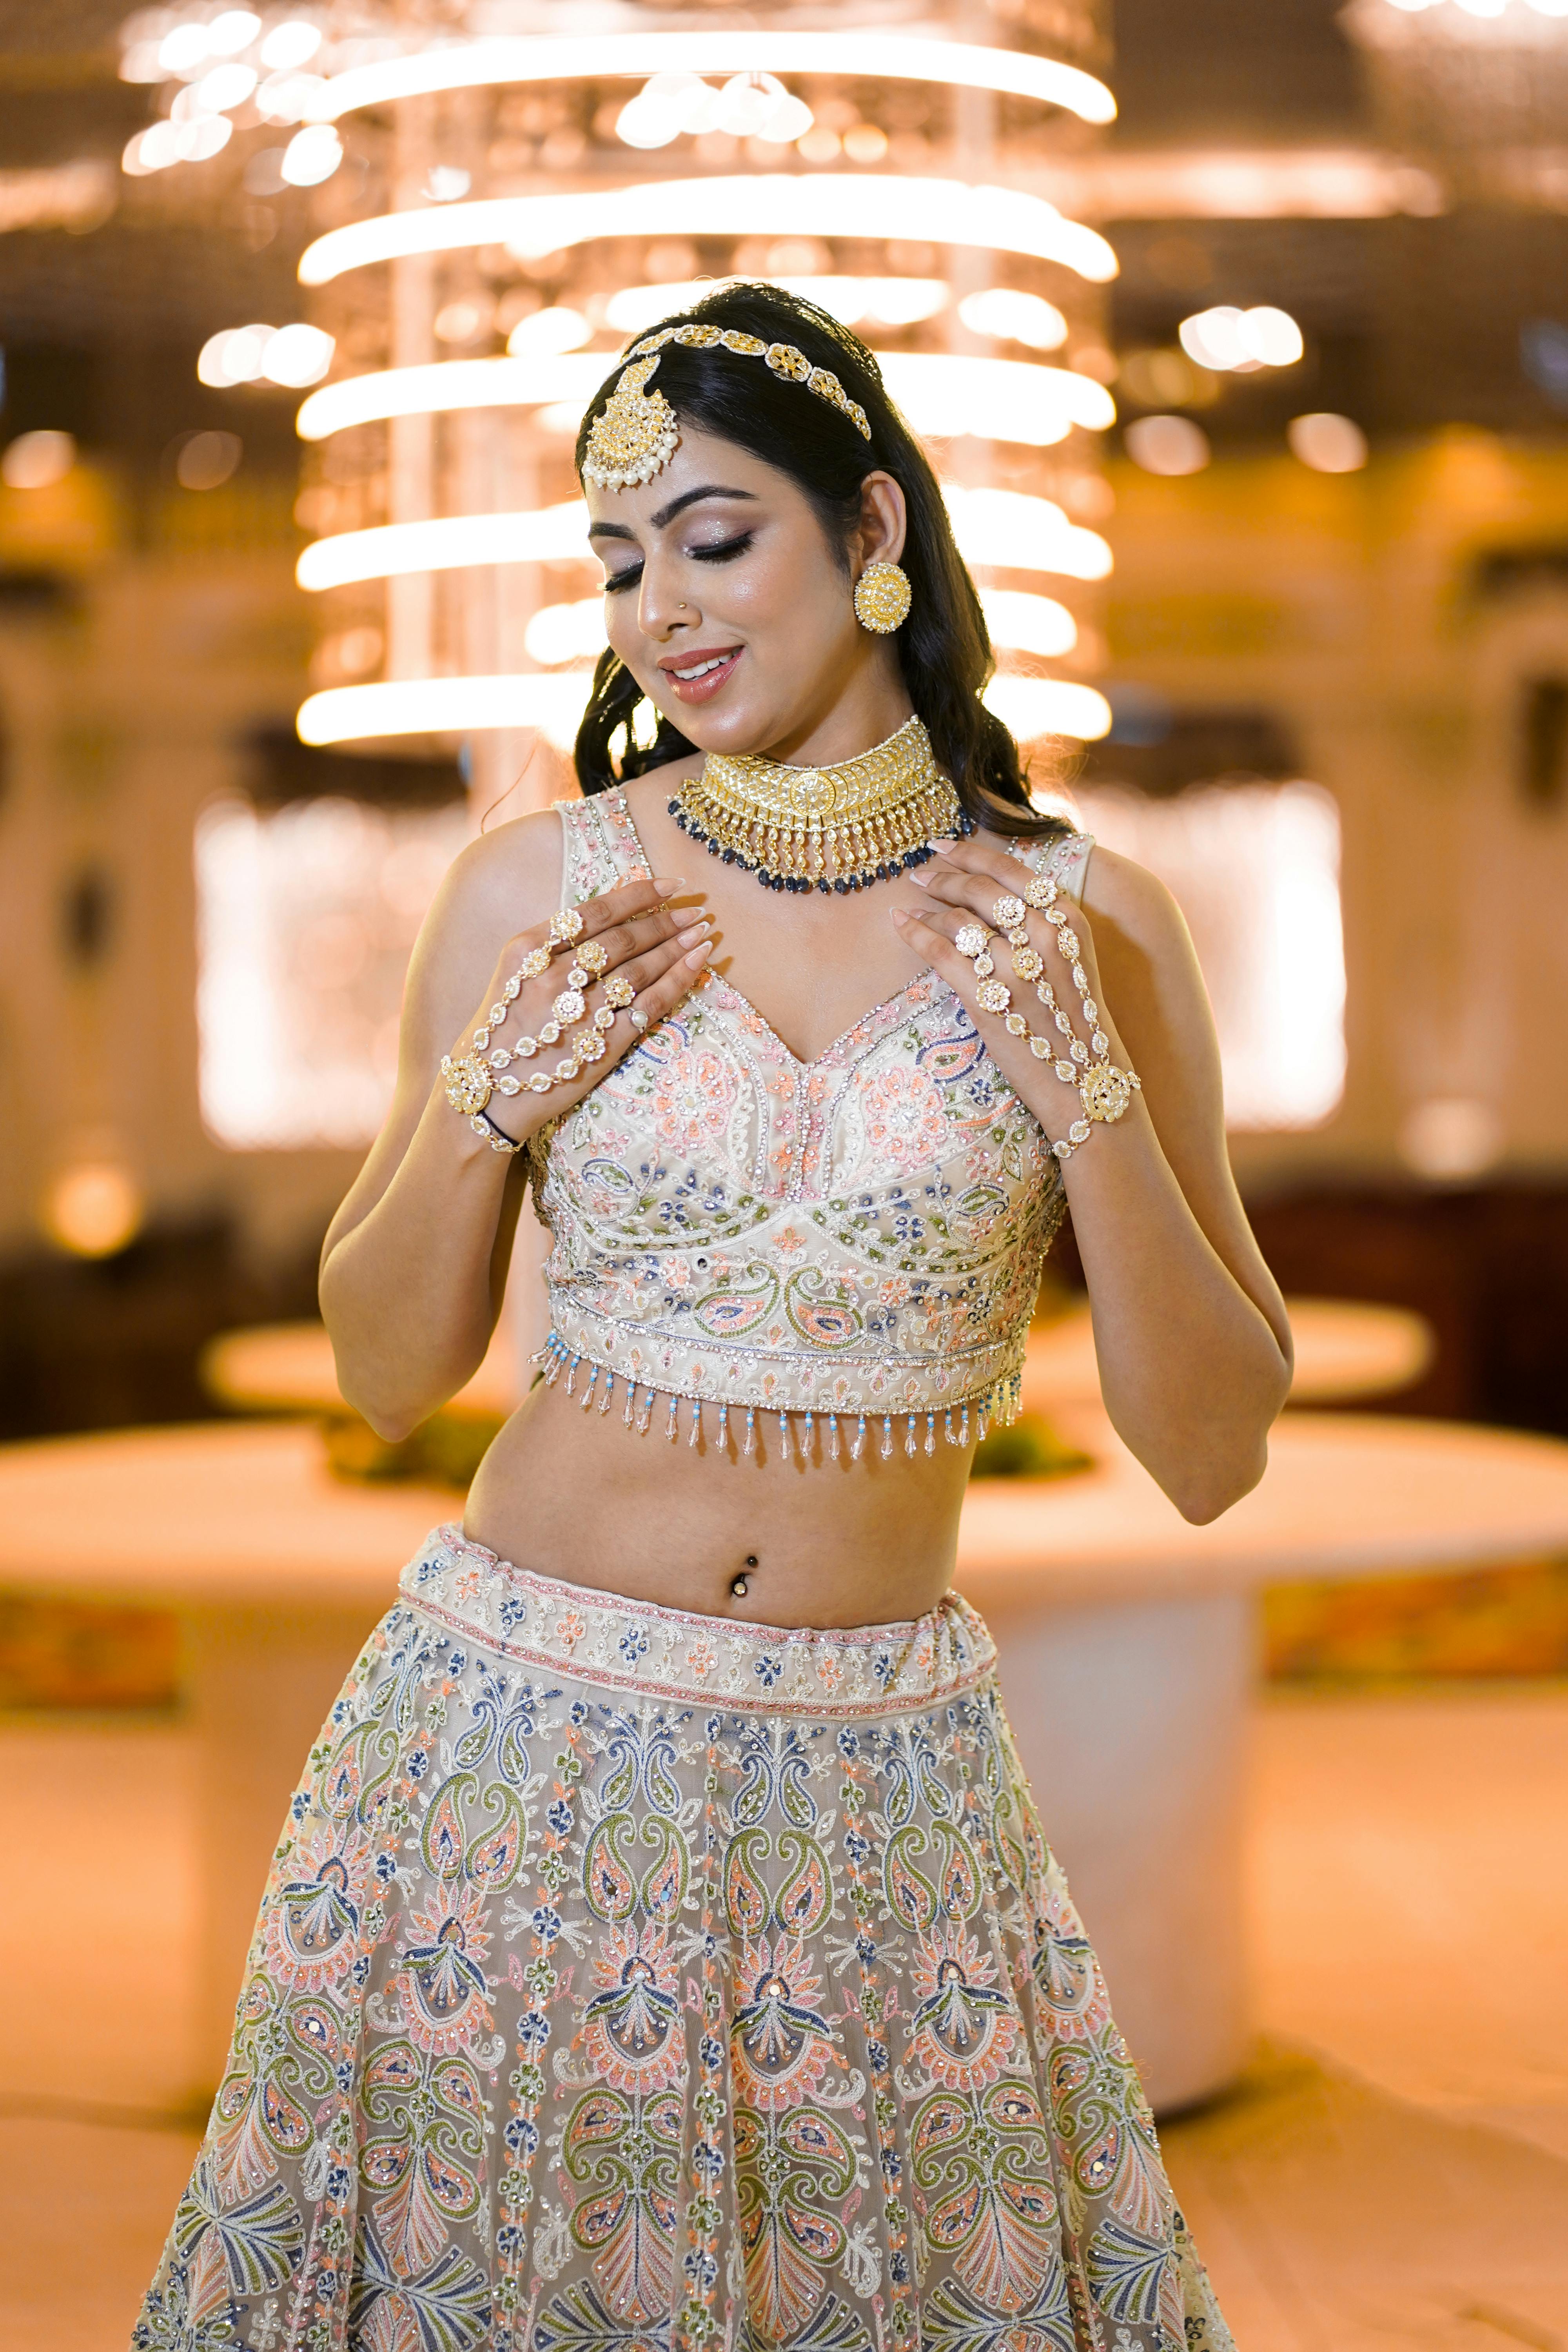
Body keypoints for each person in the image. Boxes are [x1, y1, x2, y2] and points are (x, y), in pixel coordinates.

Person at [137, 284, 1289, 2352]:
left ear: (872, 533)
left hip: (883, 1785)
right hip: (512, 1747)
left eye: (714, 534)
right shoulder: (537, 889)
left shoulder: (1093, 922)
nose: (656, 603)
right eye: (616, 556)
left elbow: (1209, 1455)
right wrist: (491, 1099)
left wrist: (1086, 1101)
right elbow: (388, 1368)